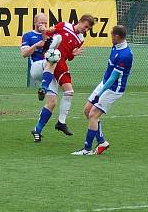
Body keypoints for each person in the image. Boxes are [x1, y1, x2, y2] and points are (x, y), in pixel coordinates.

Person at [72, 25, 133, 156]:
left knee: (93, 114)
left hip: (113, 89)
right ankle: (102, 142)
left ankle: (87, 149)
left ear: (117, 36)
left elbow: (113, 79)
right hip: (105, 83)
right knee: (87, 110)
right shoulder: (116, 46)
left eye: (112, 35)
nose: (111, 37)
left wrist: (99, 94)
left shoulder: (125, 55)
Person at [36, 14, 96, 137]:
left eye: (88, 29)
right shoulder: (64, 25)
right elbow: (50, 35)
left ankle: (59, 122)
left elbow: (69, 56)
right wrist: (46, 30)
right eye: (85, 27)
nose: (86, 30)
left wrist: (73, 54)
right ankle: (60, 121)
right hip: (53, 57)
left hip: (62, 62)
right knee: (69, 90)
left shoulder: (80, 39)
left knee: (68, 92)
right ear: (80, 21)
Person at [22, 13, 60, 142]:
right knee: (52, 57)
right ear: (35, 23)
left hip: (49, 72)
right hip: (37, 67)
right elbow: (24, 54)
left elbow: (52, 47)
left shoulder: (51, 35)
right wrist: (35, 45)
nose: (43, 25)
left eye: (45, 23)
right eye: (40, 23)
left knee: (52, 102)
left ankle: (37, 130)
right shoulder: (28, 35)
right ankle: (43, 88)